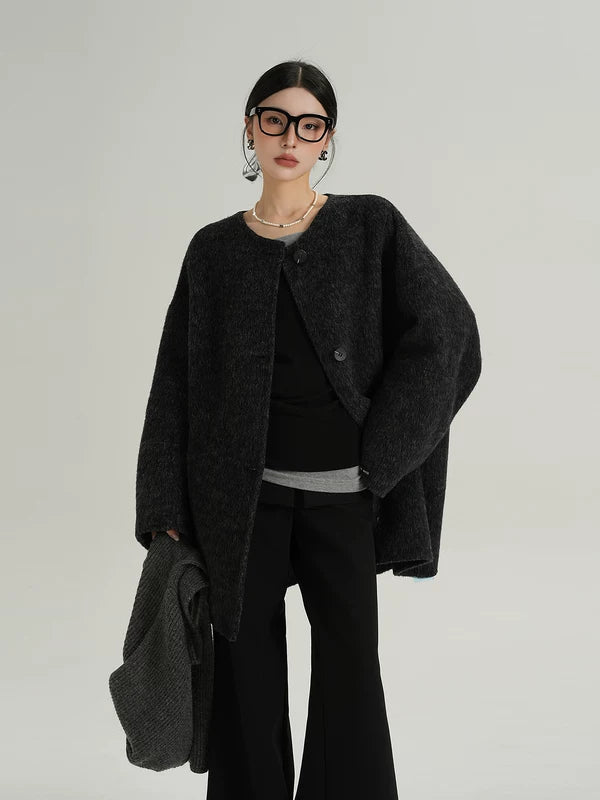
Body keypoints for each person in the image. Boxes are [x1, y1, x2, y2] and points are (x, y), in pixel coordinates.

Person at [141, 59, 481, 800]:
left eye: (309, 125)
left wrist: (385, 452)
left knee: (350, 677)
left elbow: (449, 334)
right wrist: (165, 508)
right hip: (241, 506)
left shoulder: (369, 225)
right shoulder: (212, 250)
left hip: (343, 498)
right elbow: (174, 384)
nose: (290, 138)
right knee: (245, 680)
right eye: (275, 120)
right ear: (250, 128)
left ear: (327, 138)